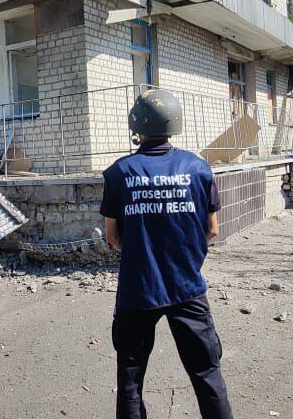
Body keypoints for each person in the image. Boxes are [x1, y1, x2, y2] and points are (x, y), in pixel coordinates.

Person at [100, 89, 234, 419]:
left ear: (136, 124)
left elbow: (113, 237)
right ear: (174, 122)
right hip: (187, 286)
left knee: (130, 380)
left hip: (137, 289)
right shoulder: (198, 168)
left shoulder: (119, 173)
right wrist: (186, 257)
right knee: (206, 372)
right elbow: (213, 229)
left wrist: (144, 256)